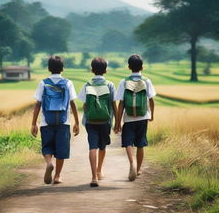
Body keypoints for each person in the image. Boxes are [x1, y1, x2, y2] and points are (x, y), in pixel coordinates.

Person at [31, 55, 79, 184]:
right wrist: (77, 123)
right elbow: (73, 103)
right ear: (62, 68)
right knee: (61, 150)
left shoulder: (43, 83)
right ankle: (57, 176)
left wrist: (34, 123)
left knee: (47, 147)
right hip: (64, 122)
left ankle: (48, 163)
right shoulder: (68, 83)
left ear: (49, 68)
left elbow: (38, 104)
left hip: (46, 122)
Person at [78, 57, 118, 187]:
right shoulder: (110, 85)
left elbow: (84, 105)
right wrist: (117, 122)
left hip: (90, 121)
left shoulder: (87, 85)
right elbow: (114, 105)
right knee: (102, 146)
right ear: (105, 70)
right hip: (105, 121)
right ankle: (99, 170)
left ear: (91, 70)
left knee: (92, 147)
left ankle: (94, 177)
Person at [115, 54, 155, 181]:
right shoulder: (146, 81)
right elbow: (151, 100)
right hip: (143, 117)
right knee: (140, 143)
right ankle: (137, 170)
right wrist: (151, 115)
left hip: (129, 118)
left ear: (128, 67)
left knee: (128, 142)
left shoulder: (124, 82)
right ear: (142, 67)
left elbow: (121, 103)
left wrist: (117, 122)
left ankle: (132, 162)